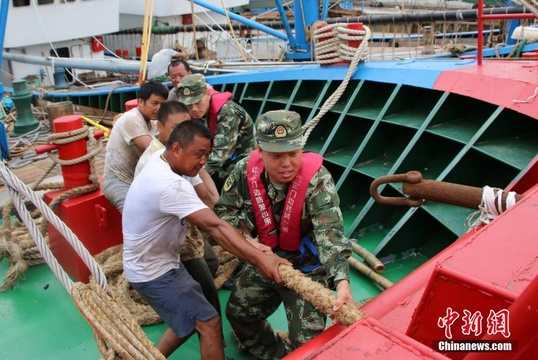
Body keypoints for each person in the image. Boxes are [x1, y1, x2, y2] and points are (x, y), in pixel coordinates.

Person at [123, 120, 291, 359]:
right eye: (199, 154)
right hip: (152, 273)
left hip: (164, 262)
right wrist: (261, 261)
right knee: (209, 321)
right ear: (177, 148)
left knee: (192, 319)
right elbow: (215, 227)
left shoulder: (166, 158)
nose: (203, 161)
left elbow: (211, 200)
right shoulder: (168, 184)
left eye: (207, 155)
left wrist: (249, 242)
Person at [214, 110, 359, 359]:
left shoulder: (318, 180)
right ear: (259, 151)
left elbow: (330, 234)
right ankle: (276, 353)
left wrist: (342, 285)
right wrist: (250, 246)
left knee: (308, 345)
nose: (287, 164)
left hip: (308, 266)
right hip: (266, 258)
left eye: (293, 153)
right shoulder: (243, 172)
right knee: (239, 313)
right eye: (276, 156)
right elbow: (223, 214)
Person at [134, 100, 222, 319]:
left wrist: (217, 204)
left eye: (187, 127)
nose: (184, 133)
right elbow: (203, 202)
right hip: (163, 234)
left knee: (211, 261)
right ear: (159, 128)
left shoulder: (180, 152)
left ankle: (191, 304)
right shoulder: (162, 161)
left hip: (179, 221)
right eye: (176, 129)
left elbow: (204, 186)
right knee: (207, 290)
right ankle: (210, 331)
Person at [176, 73, 256, 191]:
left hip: (241, 162)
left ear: (207, 94)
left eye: (198, 102)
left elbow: (220, 154)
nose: (194, 109)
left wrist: (191, 175)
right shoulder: (196, 113)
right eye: (188, 105)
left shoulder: (228, 112)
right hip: (218, 162)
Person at [103, 80, 168, 212]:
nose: (159, 108)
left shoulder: (154, 124)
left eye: (163, 104)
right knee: (135, 217)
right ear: (140, 102)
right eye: (154, 103)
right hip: (119, 181)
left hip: (139, 180)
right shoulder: (131, 119)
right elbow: (153, 150)